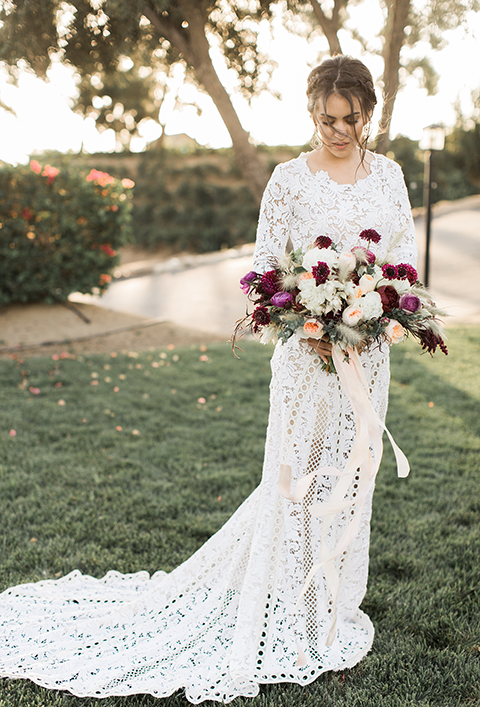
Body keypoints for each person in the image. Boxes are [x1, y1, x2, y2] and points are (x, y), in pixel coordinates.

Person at [0, 55, 417, 703]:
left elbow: (404, 262)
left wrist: (378, 309)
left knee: (350, 483)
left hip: (368, 359)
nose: (340, 130)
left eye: (351, 118)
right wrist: (305, 313)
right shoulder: (287, 180)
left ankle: (332, 612)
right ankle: (290, 612)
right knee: (296, 484)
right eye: (328, 118)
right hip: (306, 360)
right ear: (311, 113)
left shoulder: (388, 176)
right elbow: (263, 270)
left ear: (370, 112)